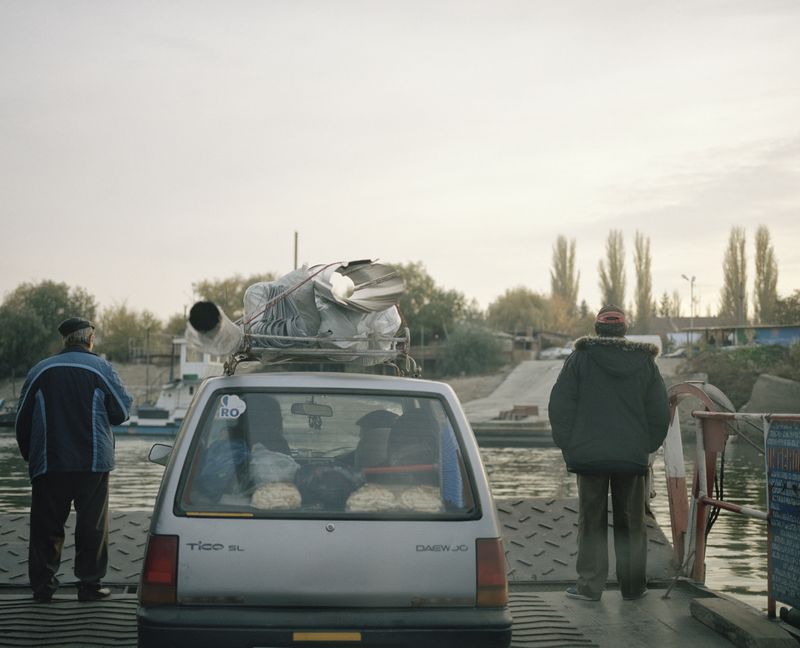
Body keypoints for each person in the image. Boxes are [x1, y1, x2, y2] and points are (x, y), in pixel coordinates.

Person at [548, 305, 670, 602]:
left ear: (597, 329)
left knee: (592, 522)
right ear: (624, 330)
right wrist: (647, 446)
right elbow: (659, 410)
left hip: (589, 457)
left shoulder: (579, 359)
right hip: (631, 456)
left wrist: (569, 446)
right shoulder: (645, 363)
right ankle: (633, 587)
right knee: (632, 522)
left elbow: (560, 405)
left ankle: (589, 587)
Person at [15, 317, 132, 603]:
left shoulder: (40, 370)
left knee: (46, 526)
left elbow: (22, 420)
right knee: (91, 526)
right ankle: (89, 587)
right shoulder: (101, 368)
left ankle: (43, 589)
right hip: (93, 463)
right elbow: (121, 412)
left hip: (49, 462)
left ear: (65, 340)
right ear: (89, 338)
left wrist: (31, 456)